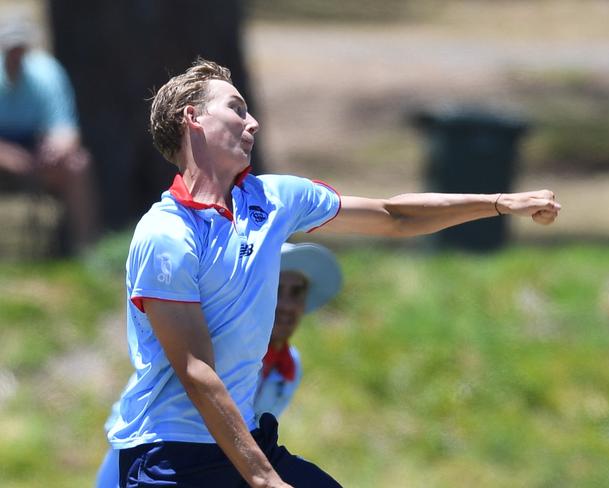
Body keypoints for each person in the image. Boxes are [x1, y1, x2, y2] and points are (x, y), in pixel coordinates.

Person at [107, 58, 560, 488]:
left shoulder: (274, 199)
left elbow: (394, 216)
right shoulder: (166, 234)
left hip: (240, 444)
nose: (253, 122)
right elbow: (196, 369)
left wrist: (499, 202)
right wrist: (264, 478)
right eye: (236, 109)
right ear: (193, 118)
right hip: (169, 458)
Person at [96, 242, 342, 487]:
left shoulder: (289, 367)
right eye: (276, 289)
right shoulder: (205, 348)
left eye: (296, 292)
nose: (287, 305)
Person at [0, 17, 97, 253]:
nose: (16, 56)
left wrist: (55, 150)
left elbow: (66, 130)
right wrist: (8, 157)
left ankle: (85, 248)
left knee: (78, 164)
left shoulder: (47, 74)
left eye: (20, 49)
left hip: (37, 154)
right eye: (11, 49)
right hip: (5, 155)